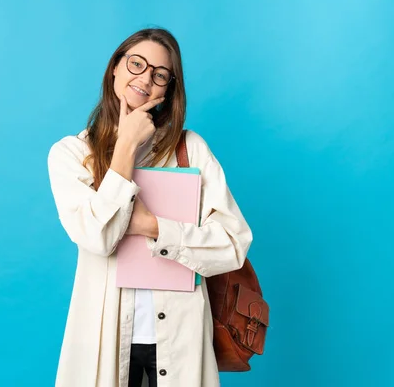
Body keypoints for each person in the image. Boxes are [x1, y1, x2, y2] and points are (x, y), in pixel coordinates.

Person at [47, 27, 253, 387]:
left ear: (168, 89)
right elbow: (96, 238)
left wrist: (154, 227)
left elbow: (234, 244)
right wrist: (126, 143)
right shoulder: (71, 154)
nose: (145, 79)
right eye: (136, 64)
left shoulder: (190, 149)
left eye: (159, 74)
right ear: (115, 67)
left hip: (180, 339)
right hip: (104, 340)